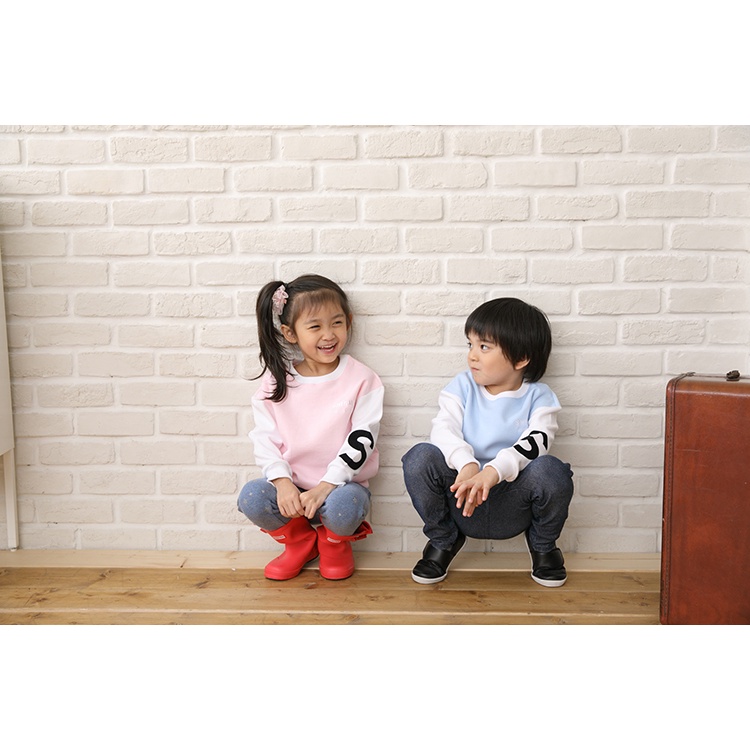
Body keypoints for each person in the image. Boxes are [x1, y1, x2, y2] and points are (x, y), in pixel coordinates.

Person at [402, 297, 574, 587]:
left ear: (521, 358)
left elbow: (536, 442)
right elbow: (443, 430)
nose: (472, 356)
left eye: (484, 347)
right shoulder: (461, 386)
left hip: (512, 500)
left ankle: (543, 547)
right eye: (470, 344)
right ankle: (443, 540)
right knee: (419, 457)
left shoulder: (540, 397)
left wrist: (493, 472)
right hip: (462, 496)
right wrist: (467, 465)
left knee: (551, 470)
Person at [237, 274, 383, 581]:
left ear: (349, 321)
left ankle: (333, 543)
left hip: (339, 488)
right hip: (292, 490)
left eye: (337, 323)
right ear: (290, 333)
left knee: (346, 505)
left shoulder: (362, 379)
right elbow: (264, 438)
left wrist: (325, 486)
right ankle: (300, 542)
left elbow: (362, 439)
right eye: (315, 326)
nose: (329, 335)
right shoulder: (276, 381)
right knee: (252, 497)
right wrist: (282, 482)